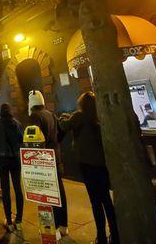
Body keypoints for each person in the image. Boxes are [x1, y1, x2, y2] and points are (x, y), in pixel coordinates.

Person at [59, 92, 119, 244]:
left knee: (95, 202)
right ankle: (116, 235)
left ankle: (101, 237)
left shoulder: (79, 116)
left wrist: (61, 117)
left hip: (87, 164)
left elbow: (64, 126)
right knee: (106, 200)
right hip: (102, 164)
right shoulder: (98, 117)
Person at [28, 90, 69, 239]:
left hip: (43, 161)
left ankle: (52, 228)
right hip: (55, 157)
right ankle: (63, 225)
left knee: (47, 195)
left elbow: (34, 140)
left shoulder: (35, 116)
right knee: (60, 192)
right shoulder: (50, 114)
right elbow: (60, 132)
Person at [0, 103, 24, 231]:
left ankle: (9, 222)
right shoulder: (17, 123)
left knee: (5, 189)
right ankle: (19, 220)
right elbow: (22, 139)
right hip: (15, 159)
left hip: (2, 159)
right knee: (17, 188)